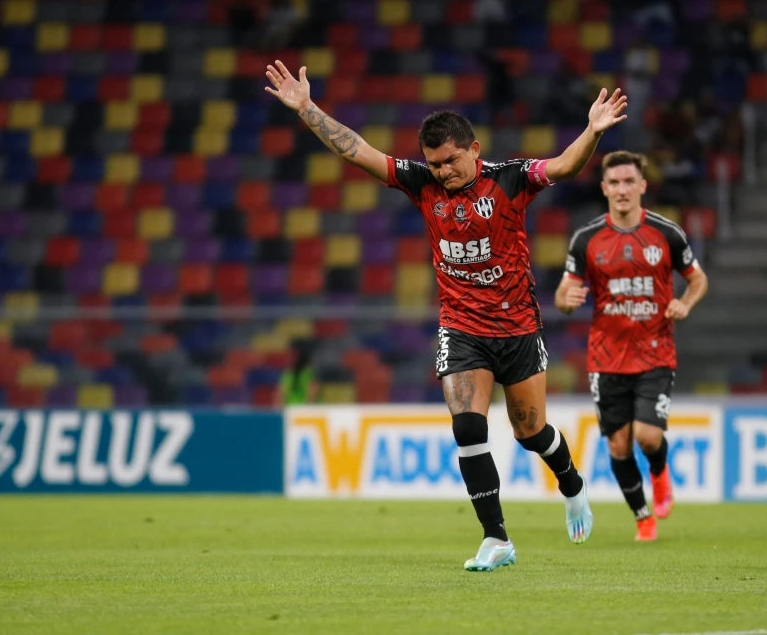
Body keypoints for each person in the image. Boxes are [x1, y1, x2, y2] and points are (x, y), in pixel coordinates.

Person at [264, 60, 627, 571]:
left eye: (451, 161)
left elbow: (564, 167)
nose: (443, 172)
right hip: (462, 330)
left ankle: (571, 484)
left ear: (474, 150)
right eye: (434, 164)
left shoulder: (511, 180)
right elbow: (360, 152)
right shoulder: (422, 185)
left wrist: (591, 131)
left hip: (519, 328)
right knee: (467, 426)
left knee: (532, 433)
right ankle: (496, 538)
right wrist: (307, 110)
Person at [553, 151, 708, 542]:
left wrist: (684, 303)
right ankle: (643, 518)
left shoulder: (666, 234)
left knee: (647, 437)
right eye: (614, 183)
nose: (622, 189)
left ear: (642, 186)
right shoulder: (586, 239)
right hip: (606, 358)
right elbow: (562, 292)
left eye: (628, 182)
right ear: (604, 189)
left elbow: (698, 279)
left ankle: (659, 472)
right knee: (619, 446)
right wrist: (564, 301)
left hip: (655, 351)